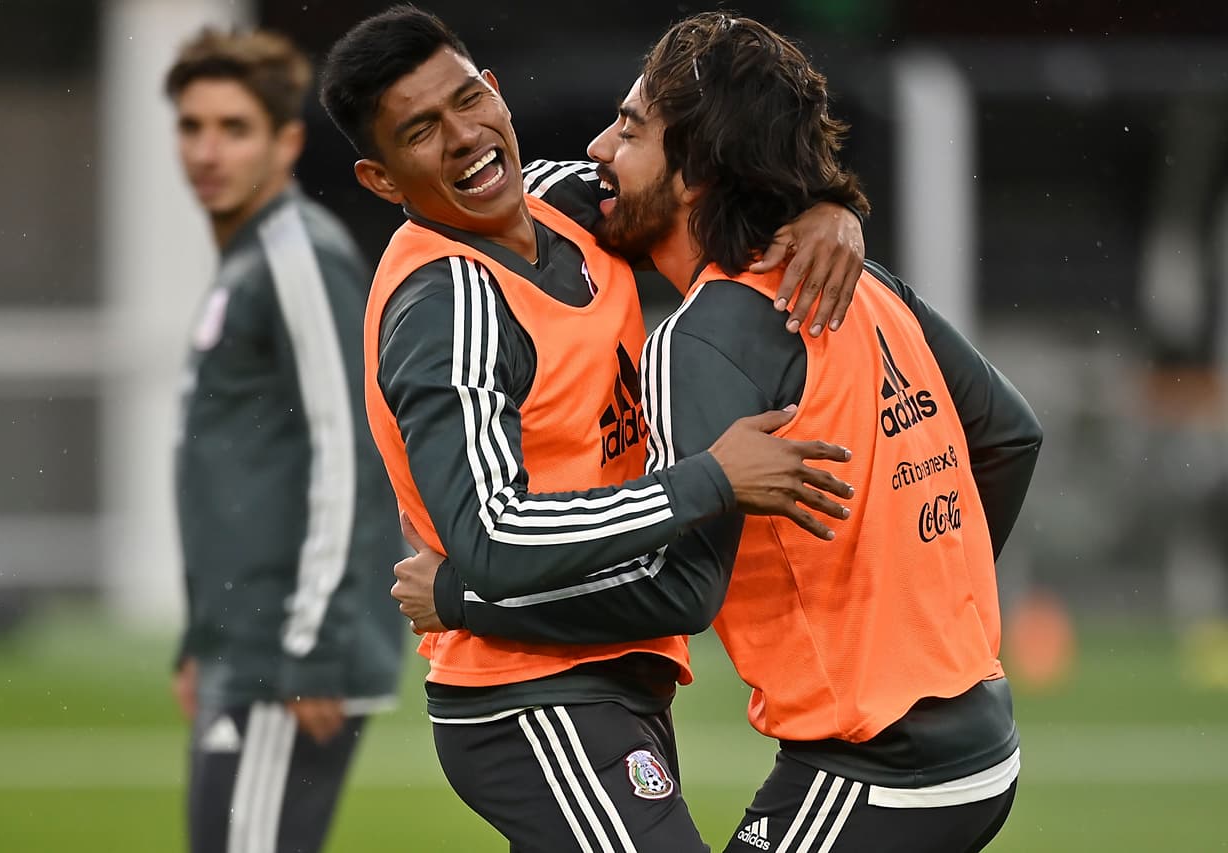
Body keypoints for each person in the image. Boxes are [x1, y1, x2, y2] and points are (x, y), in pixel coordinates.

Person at [396, 12, 1043, 853]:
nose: (598, 146)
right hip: (979, 739)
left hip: (883, 768)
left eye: (629, 128)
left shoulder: (697, 341)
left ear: (697, 170)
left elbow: (678, 590)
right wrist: (913, 610)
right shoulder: (871, 285)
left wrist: (464, 597)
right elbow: (1011, 436)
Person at [317, 6, 866, 851]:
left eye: (468, 100)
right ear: (382, 181)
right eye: (421, 131)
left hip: (609, 674)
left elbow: (703, 184)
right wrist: (710, 479)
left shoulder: (563, 200)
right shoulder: (446, 310)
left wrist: (828, 210)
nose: (464, 136)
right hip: (528, 694)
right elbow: (489, 536)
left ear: (496, 92)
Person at [165, 29, 405, 853]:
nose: (207, 149)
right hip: (247, 645)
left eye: (234, 128)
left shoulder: (297, 255)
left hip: (287, 653)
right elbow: (232, 470)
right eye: (192, 126)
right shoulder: (245, 261)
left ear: (287, 141)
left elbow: (349, 452)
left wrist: (309, 650)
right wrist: (205, 636)